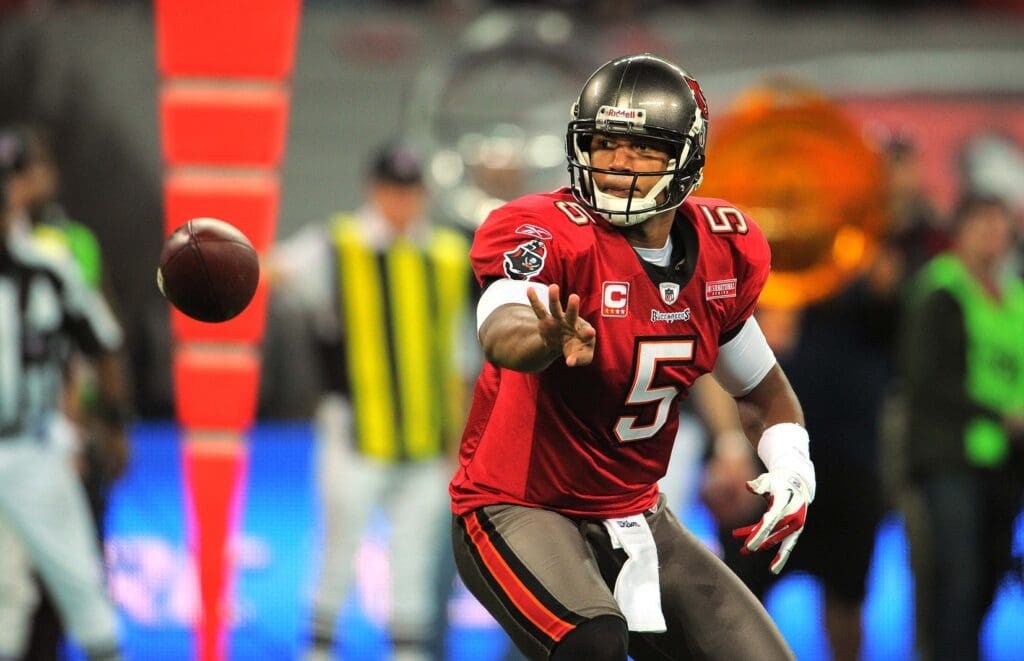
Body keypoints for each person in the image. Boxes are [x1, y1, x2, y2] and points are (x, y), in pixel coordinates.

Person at [449, 53, 816, 660]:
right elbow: (502, 326)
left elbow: (762, 391)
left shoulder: (721, 251)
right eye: (605, 142)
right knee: (593, 643)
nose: (618, 164)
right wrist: (544, 338)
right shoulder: (549, 231)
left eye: (642, 148)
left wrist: (791, 464)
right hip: (519, 505)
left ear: (685, 158)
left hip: (636, 511)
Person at [270, 142, 474, 661]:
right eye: (392, 191)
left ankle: (407, 653)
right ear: (373, 191)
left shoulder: (447, 256)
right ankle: (319, 651)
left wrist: (460, 440)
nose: (401, 203)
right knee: (339, 550)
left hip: (426, 440)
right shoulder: (337, 245)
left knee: (413, 561)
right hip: (354, 431)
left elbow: (458, 359)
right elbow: (272, 272)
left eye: (410, 192)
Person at [0, 123, 130, 661]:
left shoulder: (50, 263)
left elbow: (101, 342)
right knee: (5, 596)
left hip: (32, 445)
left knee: (79, 583)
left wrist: (110, 421)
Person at [897, 192, 1024, 661]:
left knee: (992, 574)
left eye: (1001, 223)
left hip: (1004, 460)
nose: (993, 233)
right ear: (960, 231)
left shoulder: (1015, 296)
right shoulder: (939, 287)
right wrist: (999, 414)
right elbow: (925, 379)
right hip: (949, 456)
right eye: (982, 222)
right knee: (957, 577)